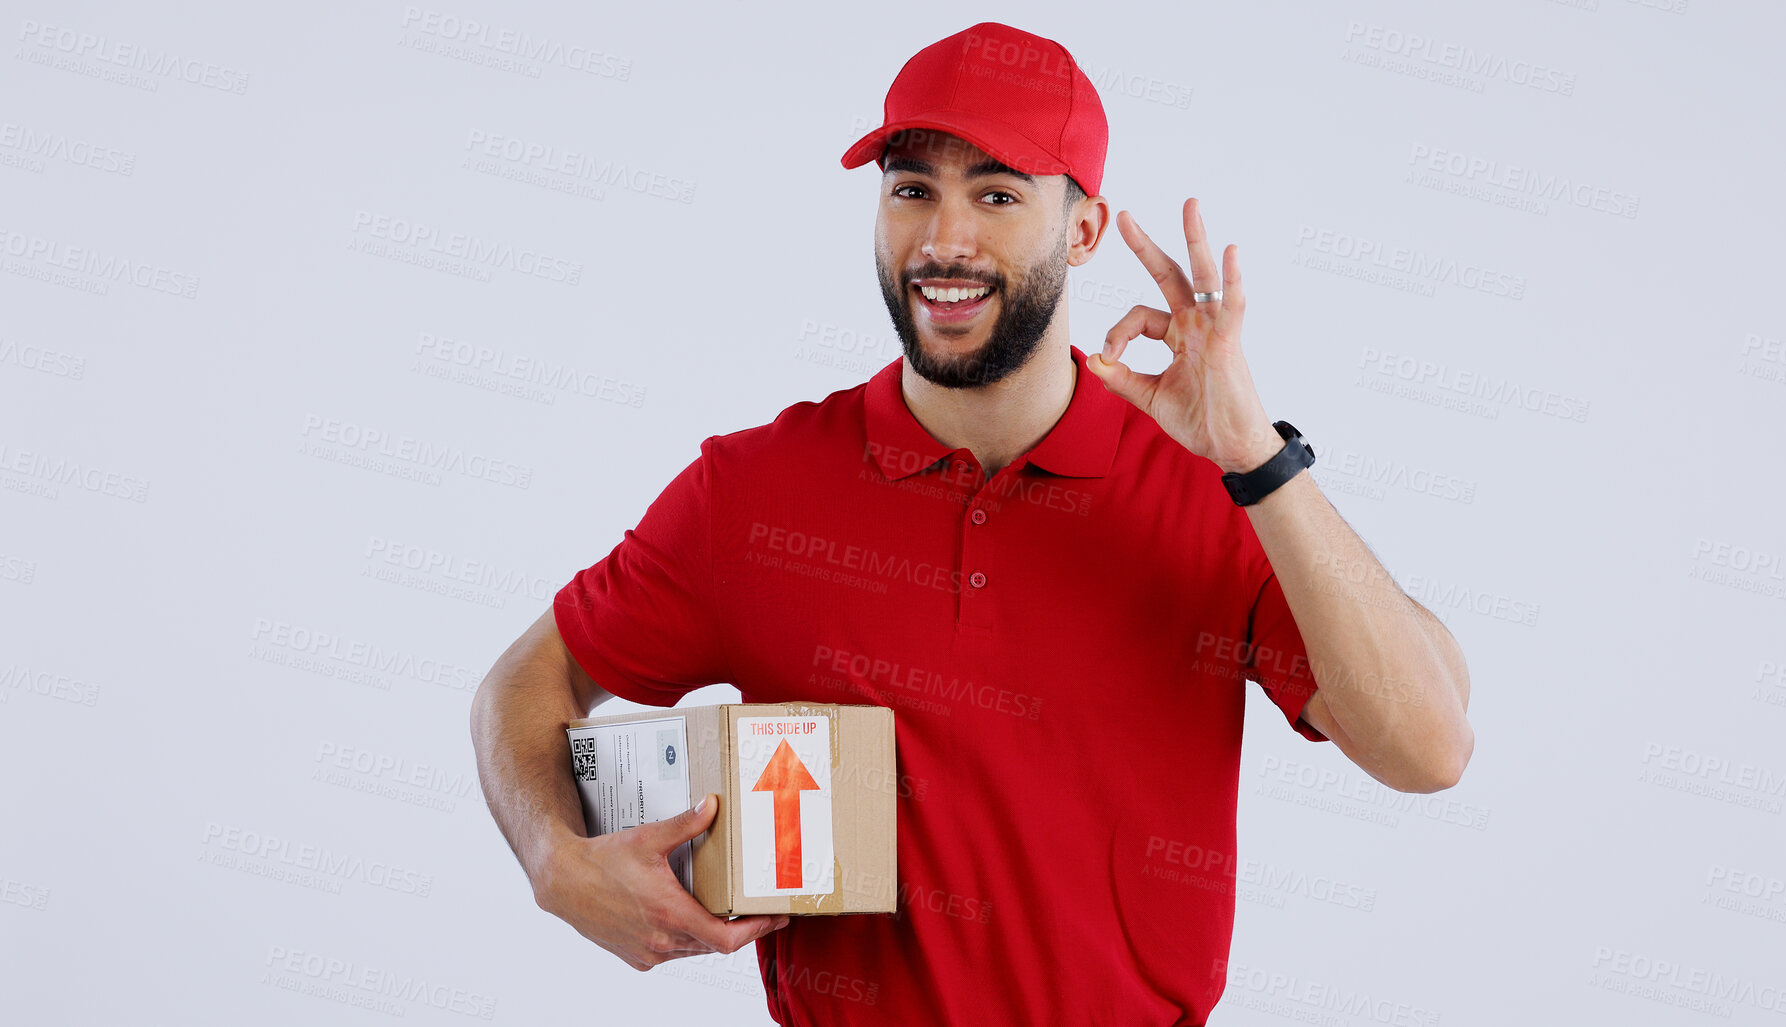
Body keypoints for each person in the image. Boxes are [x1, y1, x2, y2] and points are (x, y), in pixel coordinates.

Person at [470, 20, 1472, 1026]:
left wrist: (1259, 456)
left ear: (1082, 232)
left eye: (996, 194)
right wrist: (556, 858)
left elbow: (1430, 748)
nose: (944, 240)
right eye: (913, 190)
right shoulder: (754, 491)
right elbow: (527, 679)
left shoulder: (1215, 490)